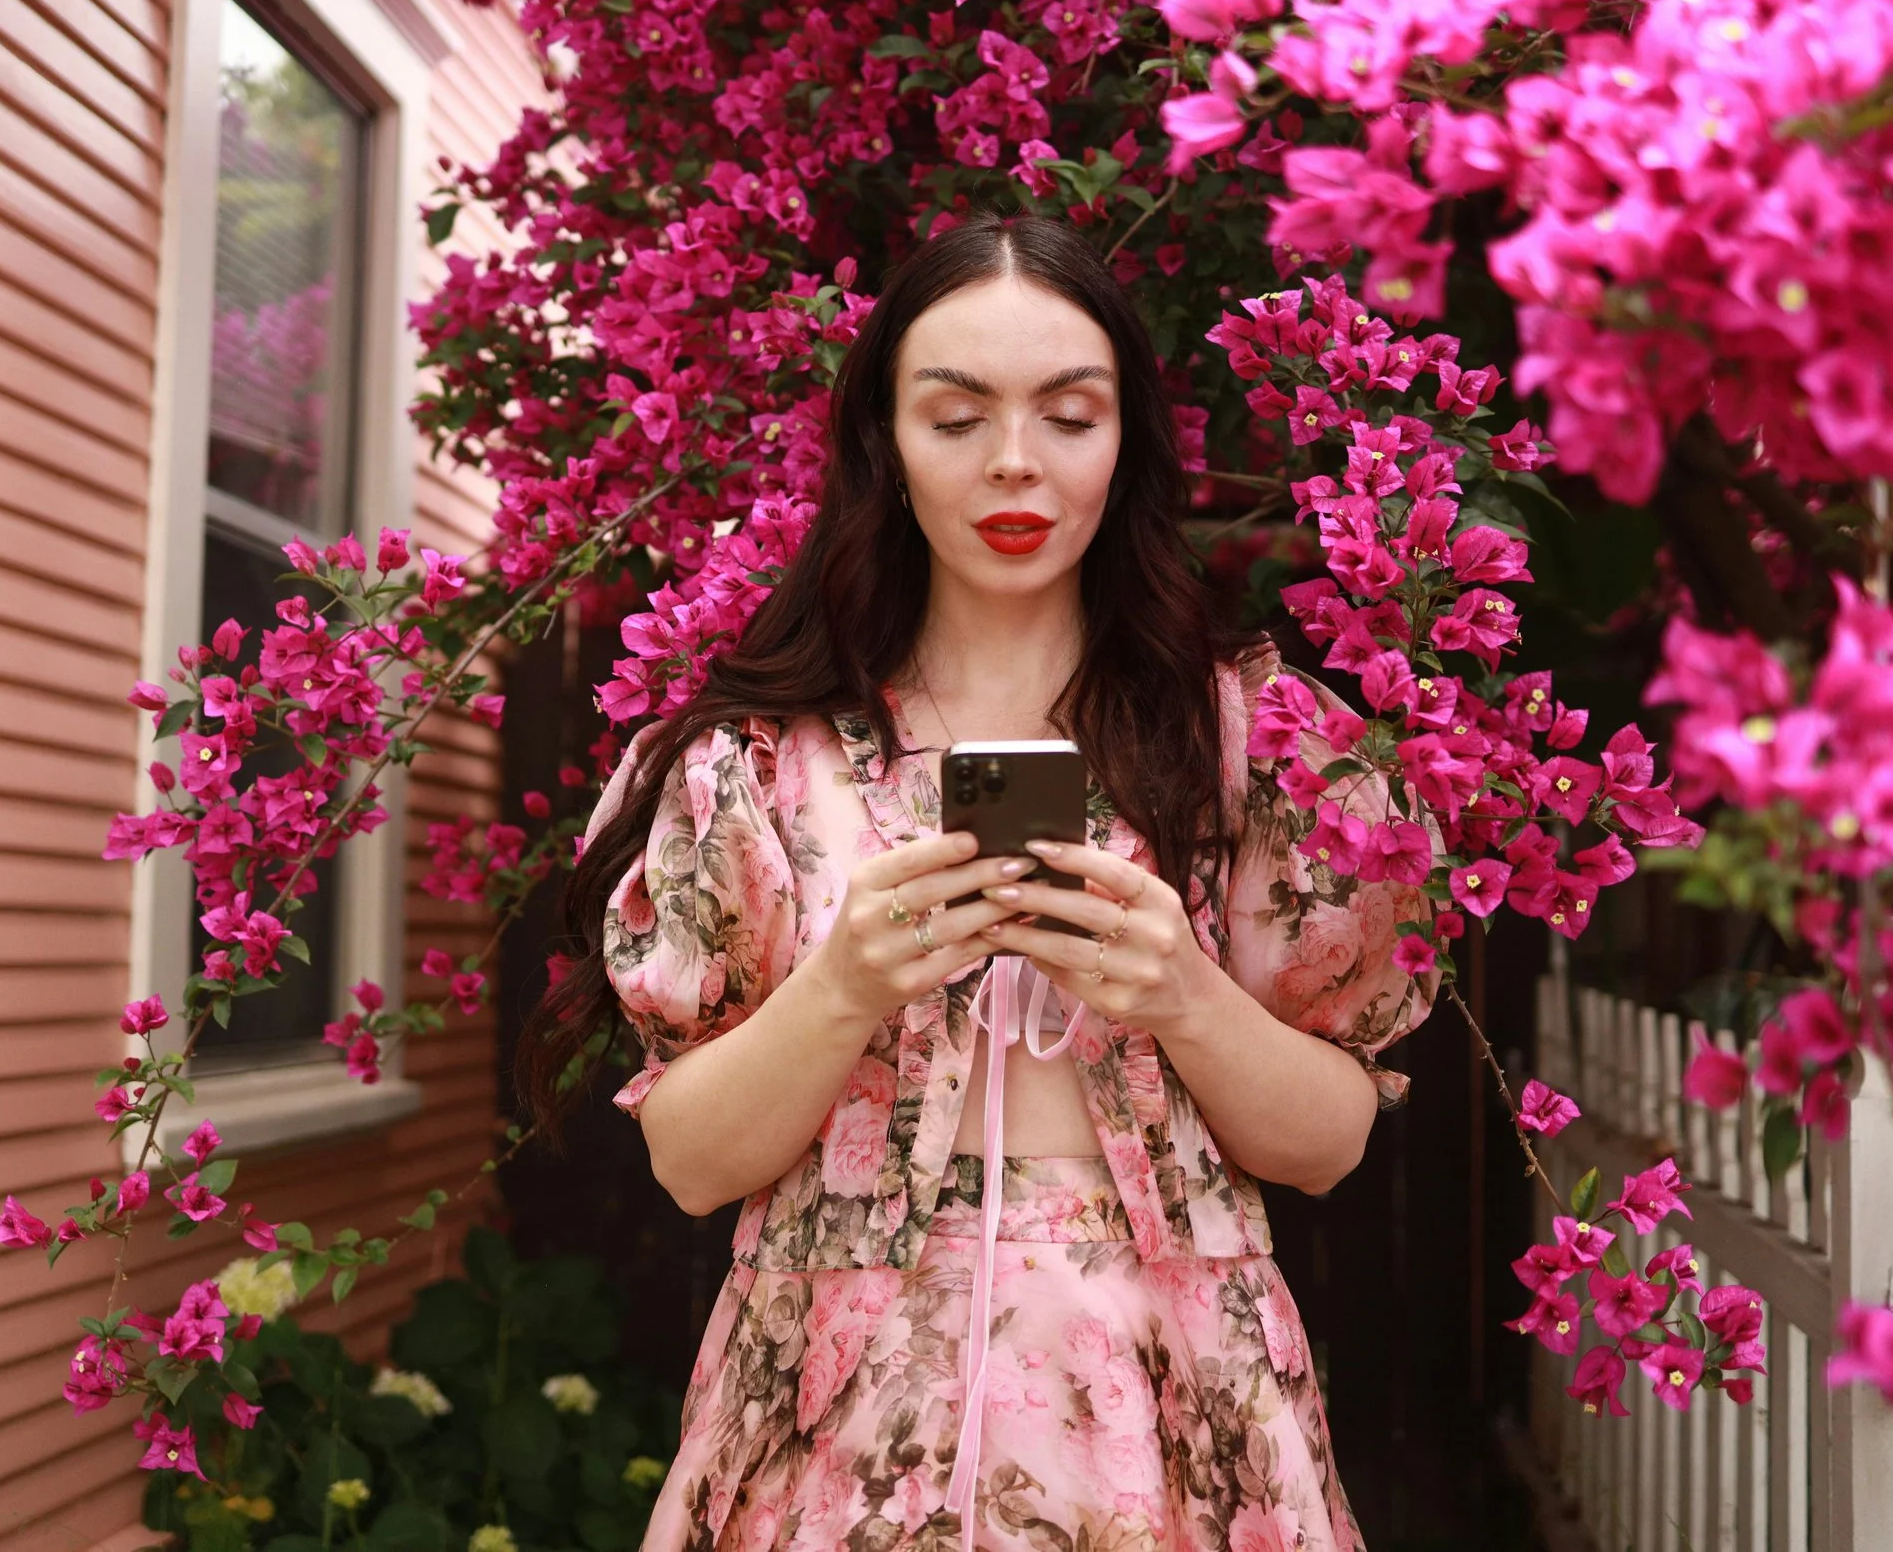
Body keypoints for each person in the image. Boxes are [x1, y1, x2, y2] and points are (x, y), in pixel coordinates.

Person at [526, 211, 1434, 1552]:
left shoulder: (1259, 746)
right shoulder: (761, 763)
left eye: (1070, 413)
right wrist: (842, 985)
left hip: (1172, 1412)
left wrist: (1183, 989)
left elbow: (1328, 1140)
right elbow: (692, 1162)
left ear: (1126, 441)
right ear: (884, 444)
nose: (1016, 462)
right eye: (955, 417)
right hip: (838, 1429)